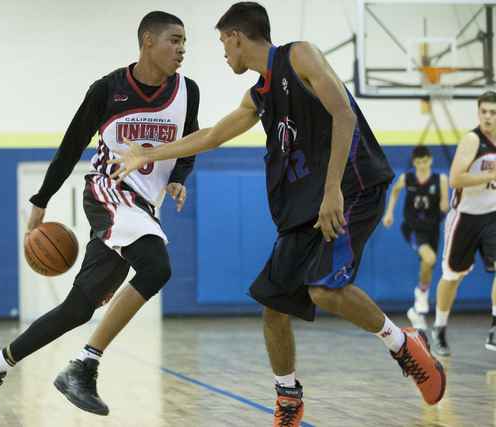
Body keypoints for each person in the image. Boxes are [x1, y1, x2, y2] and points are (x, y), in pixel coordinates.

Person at [108, 3, 446, 426]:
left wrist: (331, 192)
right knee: (272, 304)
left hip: (351, 189)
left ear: (236, 37)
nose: (222, 53)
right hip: (303, 209)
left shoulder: (299, 54)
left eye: (221, 43)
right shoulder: (259, 94)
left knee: (324, 290)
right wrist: (149, 153)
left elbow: (343, 111)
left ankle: (404, 344)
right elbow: (212, 135)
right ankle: (288, 398)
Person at [0, 11, 199, 427]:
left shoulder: (187, 91)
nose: (183, 49)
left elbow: (191, 140)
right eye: (174, 40)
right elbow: (72, 145)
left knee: (77, 309)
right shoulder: (108, 89)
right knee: (156, 266)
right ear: (148, 41)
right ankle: (84, 367)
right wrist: (41, 200)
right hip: (108, 193)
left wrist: (179, 177)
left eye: (185, 42)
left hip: (142, 207)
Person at [430, 91, 496, 357]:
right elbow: (455, 179)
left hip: (492, 215)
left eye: (493, 112)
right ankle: (439, 327)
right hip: (465, 217)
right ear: (478, 113)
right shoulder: (472, 140)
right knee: (452, 276)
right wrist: (491, 174)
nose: (488, 117)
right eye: (484, 112)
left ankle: (494, 326)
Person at [382, 146, 449, 329]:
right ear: (414, 162)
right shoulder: (407, 178)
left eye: (424, 162)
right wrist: (389, 213)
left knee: (428, 263)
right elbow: (395, 190)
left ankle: (417, 308)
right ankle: (421, 300)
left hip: (432, 228)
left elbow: (445, 201)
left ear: (430, 160)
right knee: (429, 258)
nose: (421, 165)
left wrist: (445, 204)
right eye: (418, 163)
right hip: (412, 227)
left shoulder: (440, 179)